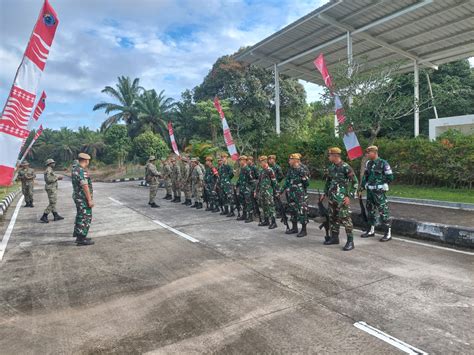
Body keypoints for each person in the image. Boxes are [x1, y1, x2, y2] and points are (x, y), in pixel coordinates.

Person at [320, 147, 358, 251]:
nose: (329, 157)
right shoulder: (331, 168)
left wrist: (349, 196)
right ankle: (334, 238)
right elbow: (328, 181)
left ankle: (350, 241)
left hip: (342, 199)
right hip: (332, 198)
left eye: (330, 155)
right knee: (333, 218)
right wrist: (324, 193)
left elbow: (355, 182)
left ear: (336, 156)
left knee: (346, 219)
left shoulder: (346, 167)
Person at [359, 145, 395, 242]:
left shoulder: (383, 163)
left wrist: (383, 183)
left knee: (383, 212)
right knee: (370, 211)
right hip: (370, 192)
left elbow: (390, 177)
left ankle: (388, 233)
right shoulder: (368, 164)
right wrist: (361, 187)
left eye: (369, 152)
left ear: (374, 153)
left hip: (379, 192)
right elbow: (365, 176)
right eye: (366, 153)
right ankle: (371, 230)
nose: (367, 154)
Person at [280, 153, 309, 237]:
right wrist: (281, 191)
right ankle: (294, 227)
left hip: (300, 194)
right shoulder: (290, 170)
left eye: (290, 159)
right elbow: (287, 182)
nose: (289, 161)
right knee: (293, 210)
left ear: (295, 160)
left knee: (302, 211)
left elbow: (307, 184)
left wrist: (303, 177)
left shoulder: (302, 170)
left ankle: (304, 230)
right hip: (291, 194)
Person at [71, 153, 94, 246]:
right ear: (86, 160)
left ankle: (80, 236)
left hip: (78, 197)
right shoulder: (81, 171)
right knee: (85, 217)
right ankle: (81, 238)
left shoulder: (75, 169)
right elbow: (85, 186)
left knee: (80, 216)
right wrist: (89, 200)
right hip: (83, 198)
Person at [255, 156, 278, 229]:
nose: (260, 164)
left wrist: (277, 191)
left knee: (271, 207)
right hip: (262, 192)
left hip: (268, 191)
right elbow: (259, 182)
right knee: (264, 206)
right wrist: (256, 191)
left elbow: (274, 182)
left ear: (265, 162)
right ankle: (266, 220)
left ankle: (274, 222)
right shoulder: (261, 171)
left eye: (261, 162)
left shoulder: (270, 170)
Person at [40, 158, 64, 223]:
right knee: (53, 202)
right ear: (50, 164)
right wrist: (57, 178)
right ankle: (44, 215)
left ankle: (55, 215)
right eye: (53, 163)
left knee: (53, 202)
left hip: (52, 187)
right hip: (51, 188)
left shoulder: (50, 170)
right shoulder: (48, 170)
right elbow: (48, 179)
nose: (54, 164)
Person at [236, 155, 255, 223]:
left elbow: (252, 180)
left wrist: (252, 189)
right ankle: (244, 215)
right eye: (239, 160)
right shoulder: (242, 169)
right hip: (242, 189)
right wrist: (237, 185)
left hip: (247, 189)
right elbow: (240, 179)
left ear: (244, 161)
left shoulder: (247, 169)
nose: (240, 162)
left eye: (241, 160)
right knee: (243, 202)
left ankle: (250, 217)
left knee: (248, 203)